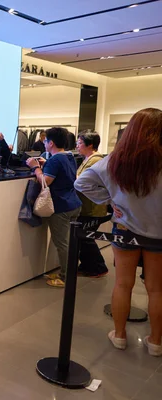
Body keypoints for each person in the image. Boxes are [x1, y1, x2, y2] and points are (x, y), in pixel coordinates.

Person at [75, 108, 162, 356]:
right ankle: (156, 341)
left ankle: (120, 335)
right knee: (157, 289)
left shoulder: (116, 159)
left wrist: (111, 201)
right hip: (158, 232)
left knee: (123, 284)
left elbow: (81, 183)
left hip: (124, 229)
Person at [26, 127, 82, 288]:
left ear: (51, 143)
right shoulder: (69, 156)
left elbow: (46, 181)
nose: (44, 143)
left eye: (45, 141)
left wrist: (35, 167)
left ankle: (65, 277)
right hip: (73, 203)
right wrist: (45, 164)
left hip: (61, 206)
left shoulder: (55, 160)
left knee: (61, 243)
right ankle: (68, 271)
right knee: (69, 242)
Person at [75, 131, 108, 278]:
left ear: (90, 145)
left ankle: (98, 267)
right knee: (84, 238)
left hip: (93, 208)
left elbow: (81, 180)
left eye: (80, 143)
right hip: (88, 206)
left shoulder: (95, 161)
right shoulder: (88, 159)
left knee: (86, 238)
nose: (77, 146)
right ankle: (89, 266)